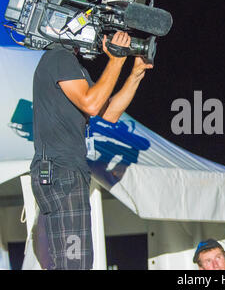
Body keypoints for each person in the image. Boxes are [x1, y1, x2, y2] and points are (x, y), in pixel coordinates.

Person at [30, 31, 153, 269]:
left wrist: (135, 74)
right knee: (75, 263)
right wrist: (116, 59)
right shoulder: (59, 57)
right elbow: (92, 104)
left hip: (65, 171)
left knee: (73, 262)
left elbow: (110, 112)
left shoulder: (72, 68)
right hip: (62, 170)